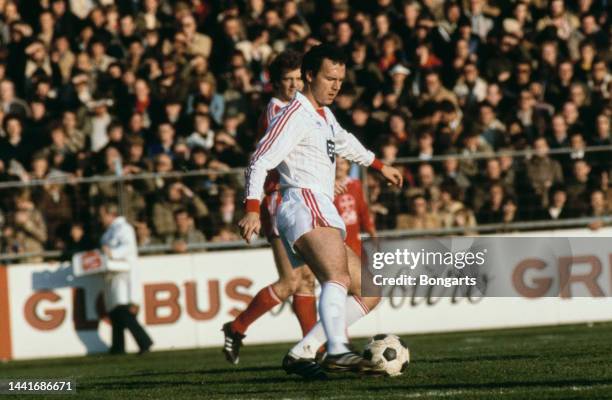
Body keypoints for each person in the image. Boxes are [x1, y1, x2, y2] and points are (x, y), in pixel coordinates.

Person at [239, 44, 402, 379]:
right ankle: (337, 351)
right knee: (337, 278)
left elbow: (345, 142)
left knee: (369, 291)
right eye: (330, 78)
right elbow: (259, 160)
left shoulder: (323, 116)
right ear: (309, 76)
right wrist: (252, 208)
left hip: (319, 206)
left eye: (340, 79)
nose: (336, 85)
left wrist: (379, 165)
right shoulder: (294, 116)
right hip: (303, 202)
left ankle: (304, 351)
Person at [222, 50, 318, 365]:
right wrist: (252, 207)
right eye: (287, 80)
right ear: (275, 84)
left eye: (297, 79)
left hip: (295, 200)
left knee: (305, 280)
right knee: (293, 281)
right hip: (277, 201)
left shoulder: (298, 108)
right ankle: (237, 327)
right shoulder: (277, 111)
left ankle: (313, 347)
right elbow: (265, 161)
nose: (293, 85)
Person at [99, 202, 153, 355]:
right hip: (113, 274)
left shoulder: (124, 228)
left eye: (103, 215)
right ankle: (118, 346)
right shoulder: (110, 230)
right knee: (115, 311)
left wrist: (112, 253)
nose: (101, 219)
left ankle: (144, 342)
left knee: (123, 310)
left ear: (111, 214)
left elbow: (127, 247)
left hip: (123, 274)